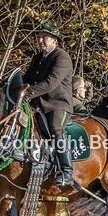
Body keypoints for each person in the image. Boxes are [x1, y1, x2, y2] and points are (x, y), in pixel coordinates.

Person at [23, 23, 75, 187]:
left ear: (54, 40)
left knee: (55, 128)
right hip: (38, 103)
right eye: (39, 37)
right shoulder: (38, 58)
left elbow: (51, 83)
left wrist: (28, 92)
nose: (40, 40)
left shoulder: (62, 57)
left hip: (58, 103)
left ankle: (66, 171)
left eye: (44, 37)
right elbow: (27, 79)